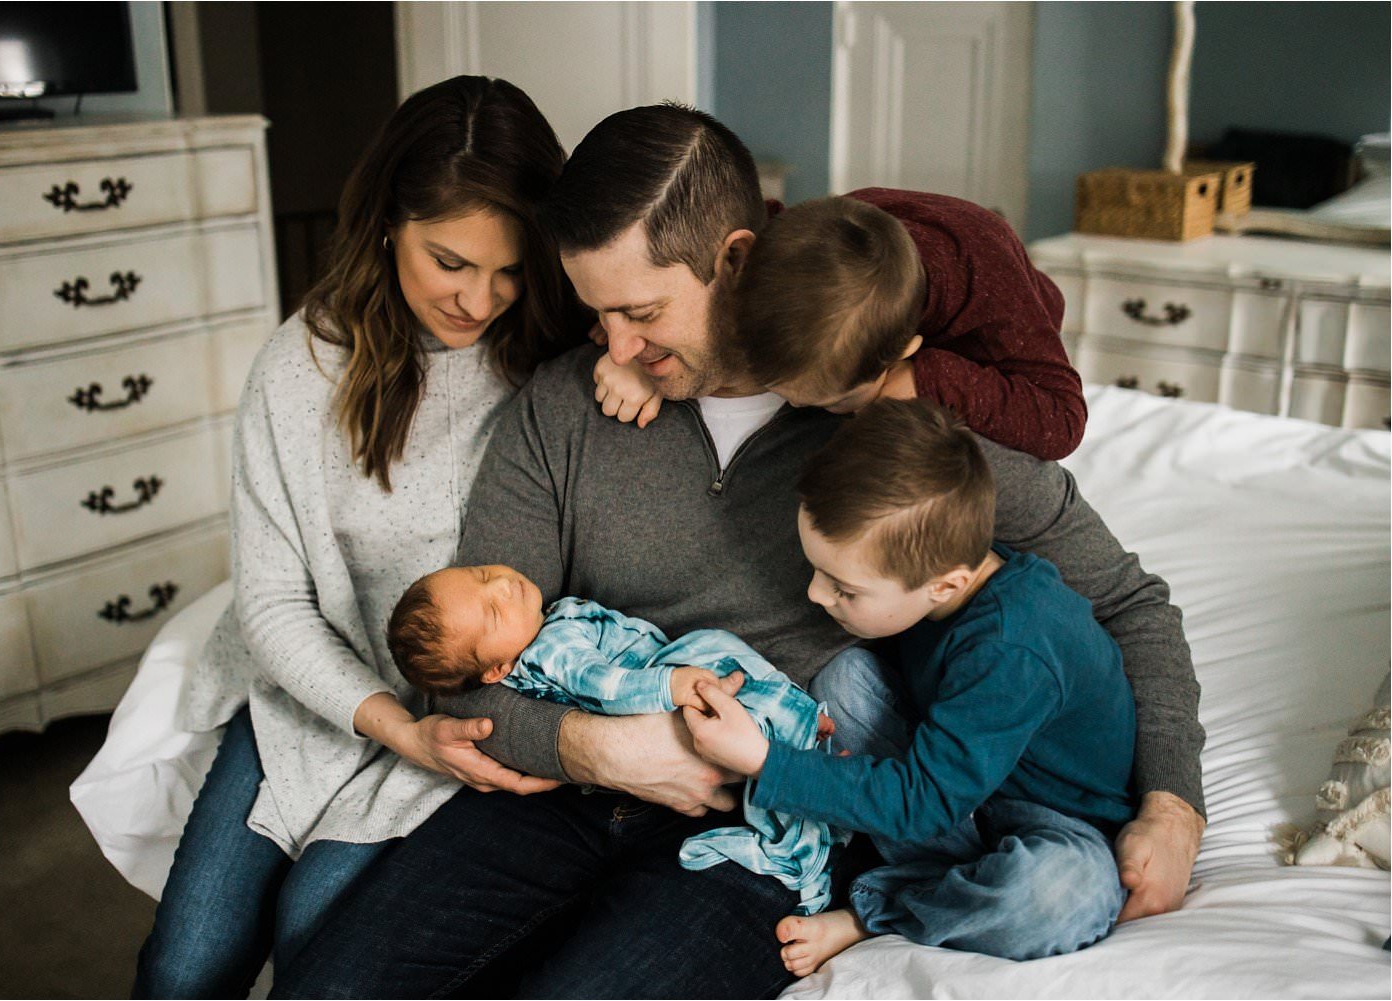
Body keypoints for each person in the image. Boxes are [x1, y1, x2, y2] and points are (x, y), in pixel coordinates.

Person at [272, 103, 1204, 1000]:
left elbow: (1128, 602)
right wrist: (600, 748)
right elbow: (465, 671)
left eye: (640, 312)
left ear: (737, 257)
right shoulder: (564, 407)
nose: (616, 345)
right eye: (596, 315)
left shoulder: (886, 425)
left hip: (768, 828)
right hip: (560, 791)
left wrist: (1172, 804)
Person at [131, 76, 585, 998]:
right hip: (314, 698)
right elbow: (271, 602)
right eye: (449, 261)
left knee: (316, 932)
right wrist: (384, 725)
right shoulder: (302, 366)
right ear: (388, 222)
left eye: (509, 268)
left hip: (461, 715)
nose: (480, 298)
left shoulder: (555, 365)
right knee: (183, 968)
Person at [684, 398, 1134, 976]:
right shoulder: (933, 583)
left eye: (844, 589)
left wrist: (766, 763)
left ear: (945, 586)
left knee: (1057, 897)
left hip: (1050, 821)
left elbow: (927, 799)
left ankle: (878, 909)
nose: (817, 597)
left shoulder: (1012, 646)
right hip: (955, 790)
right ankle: (933, 879)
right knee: (843, 680)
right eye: (816, 571)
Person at [386, 563, 840, 912]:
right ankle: (801, 748)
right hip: (660, 691)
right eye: (492, 611)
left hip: (667, 706)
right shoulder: (552, 649)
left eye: (480, 574)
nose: (502, 586)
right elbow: (604, 686)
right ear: (496, 671)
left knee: (738, 702)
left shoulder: (540, 634)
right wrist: (672, 684)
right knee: (716, 659)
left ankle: (799, 741)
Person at [592, 190, 1085, 461]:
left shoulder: (988, 287)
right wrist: (641, 347)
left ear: (903, 352)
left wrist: (922, 381)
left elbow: (1063, 422)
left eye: (833, 403)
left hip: (1012, 297)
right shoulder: (772, 240)